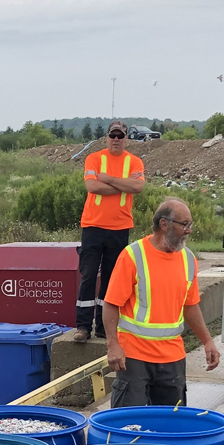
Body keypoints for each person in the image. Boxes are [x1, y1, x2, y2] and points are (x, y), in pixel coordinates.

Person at [102, 198, 221, 406]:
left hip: (172, 359)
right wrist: (113, 345)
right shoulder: (133, 256)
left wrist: (207, 341)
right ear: (164, 224)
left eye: (190, 225)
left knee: (171, 427)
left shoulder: (188, 259)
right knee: (129, 425)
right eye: (184, 224)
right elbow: (111, 304)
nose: (189, 230)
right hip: (134, 357)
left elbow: (190, 305)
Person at [73, 121, 146, 342]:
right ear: (107, 137)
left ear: (126, 138)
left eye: (120, 135)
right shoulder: (94, 158)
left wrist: (108, 180)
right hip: (93, 226)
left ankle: (104, 327)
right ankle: (83, 327)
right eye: (112, 135)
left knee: (111, 280)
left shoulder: (134, 162)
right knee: (87, 277)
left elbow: (138, 187)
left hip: (120, 228)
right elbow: (92, 187)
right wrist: (122, 184)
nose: (116, 139)